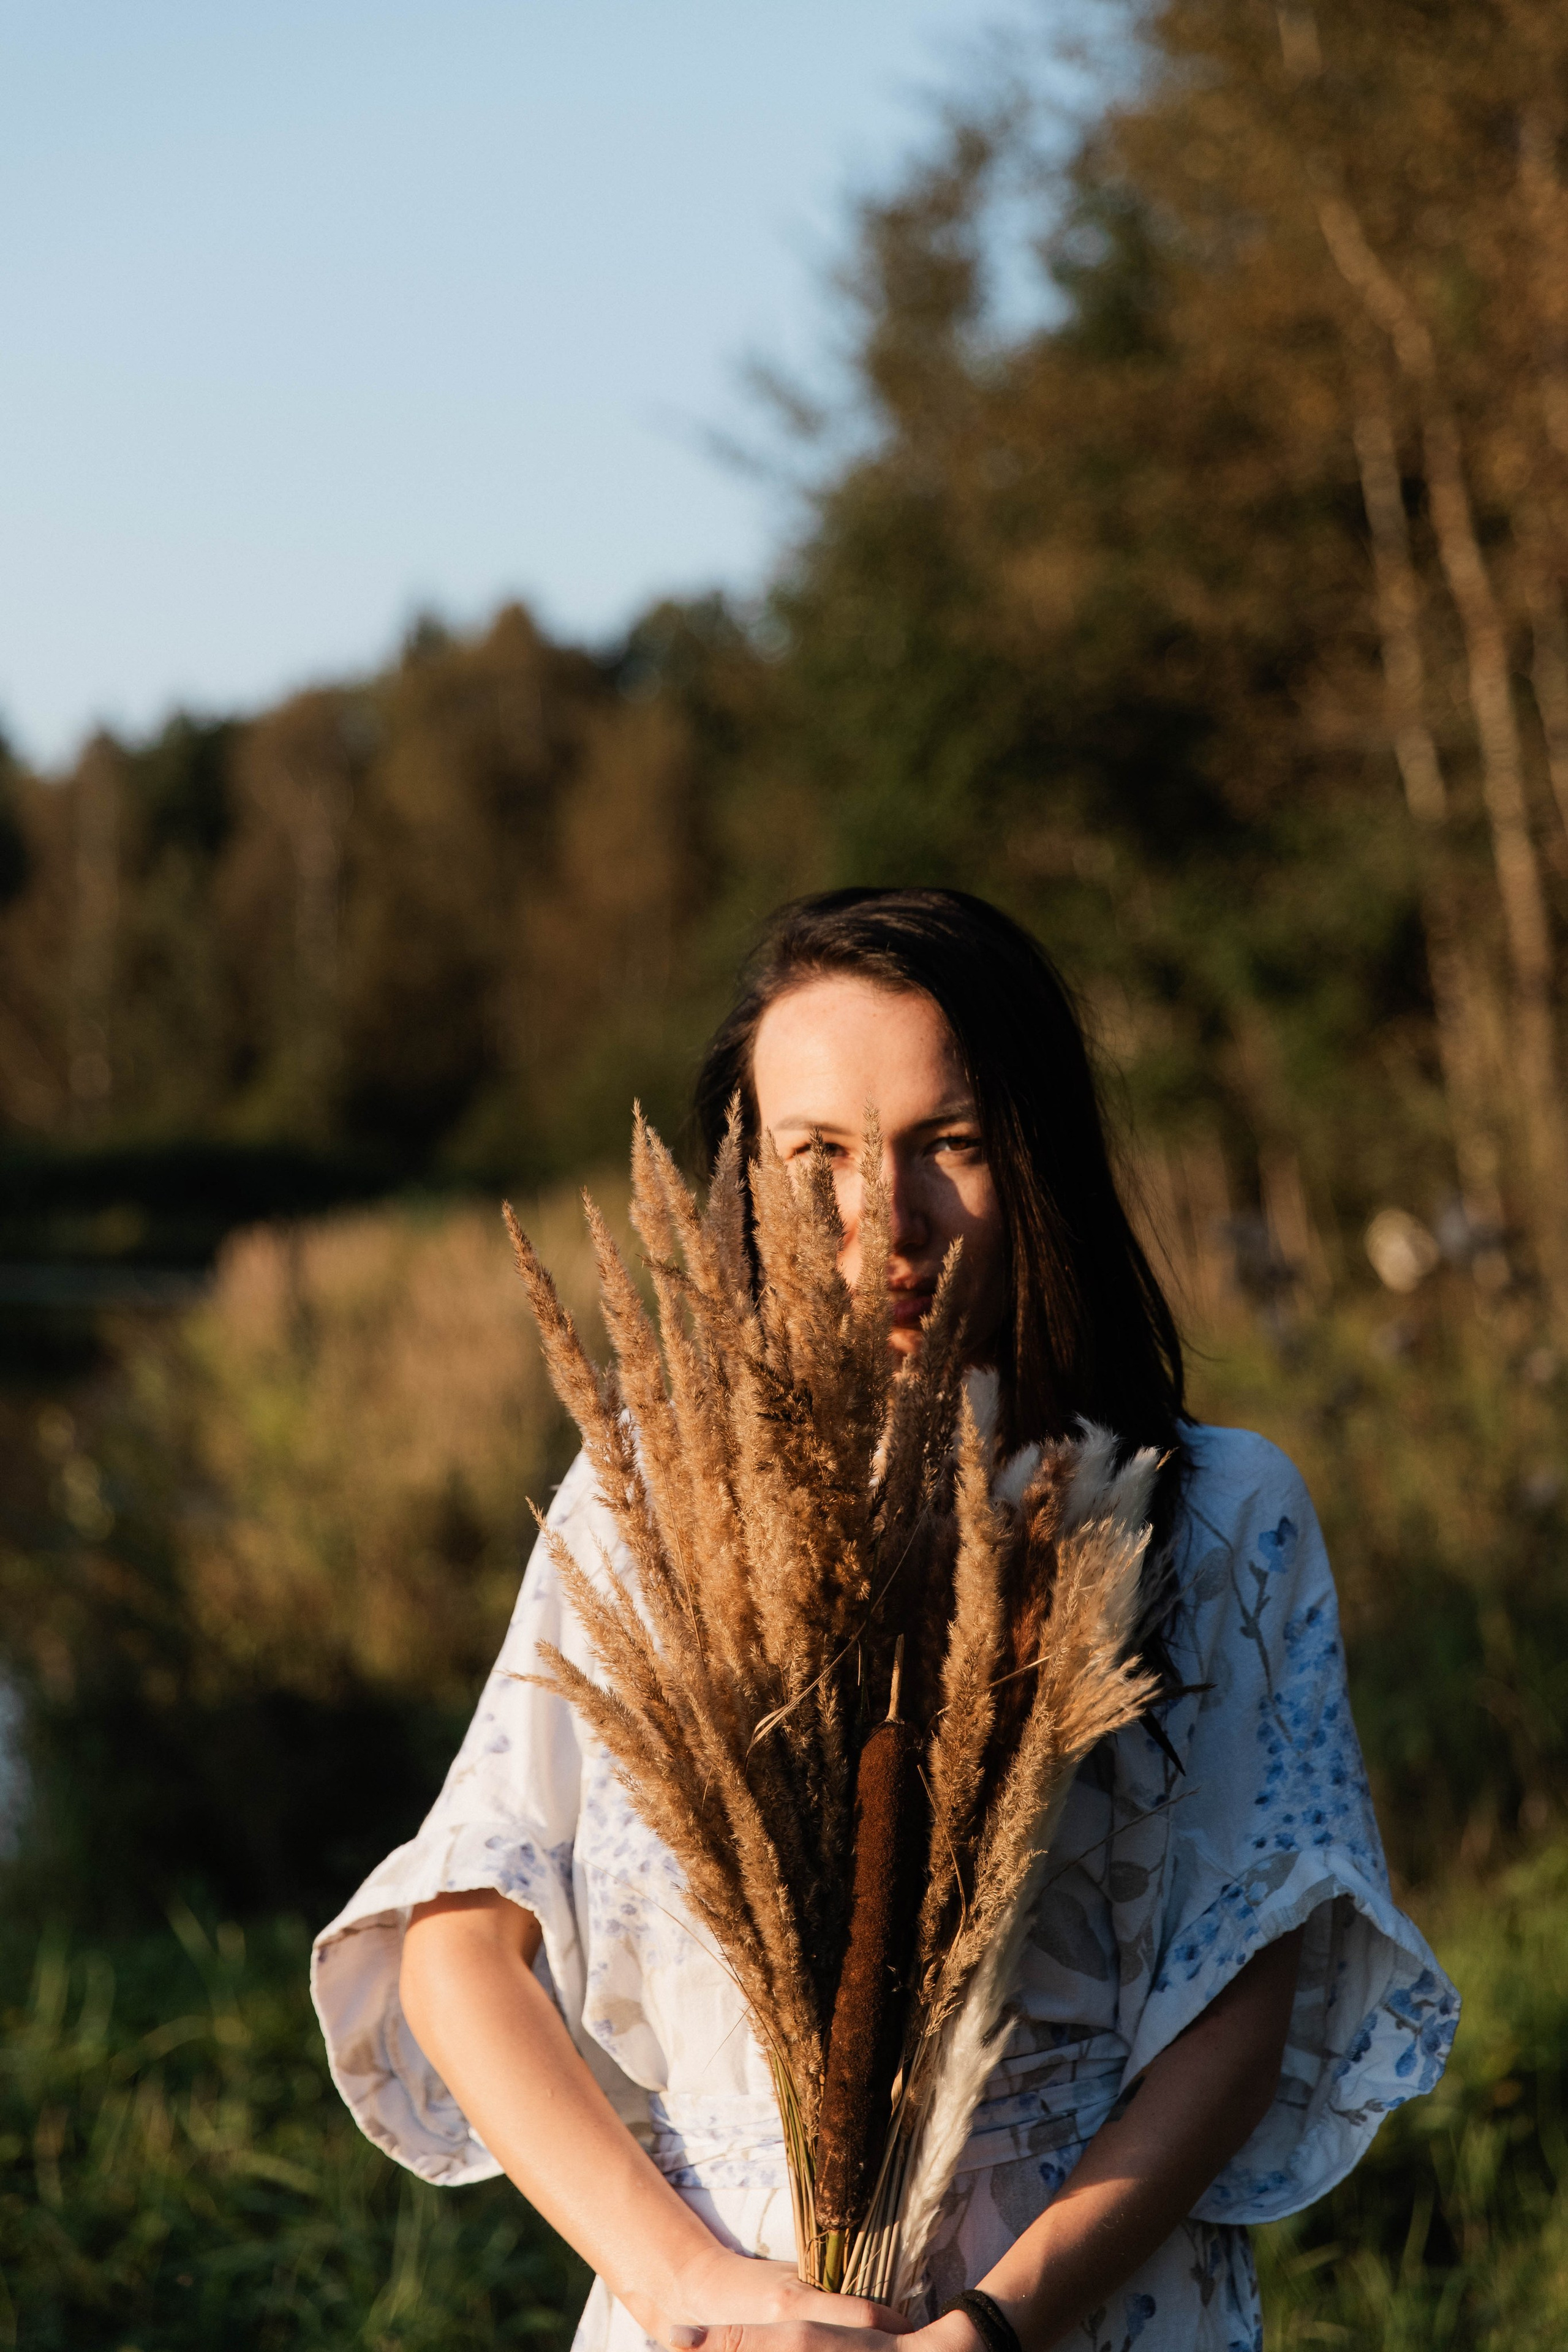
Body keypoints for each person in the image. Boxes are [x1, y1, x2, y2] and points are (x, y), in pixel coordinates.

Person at [312, 888, 1458, 2352]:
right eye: (819, 1159)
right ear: (744, 1180)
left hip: (1081, 2320)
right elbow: (458, 1949)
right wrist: (696, 2294)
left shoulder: (1215, 1512)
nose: (884, 1223)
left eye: (950, 1145)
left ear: (1034, 1159)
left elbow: (1241, 2003)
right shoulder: (653, 1502)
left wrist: (992, 2323)